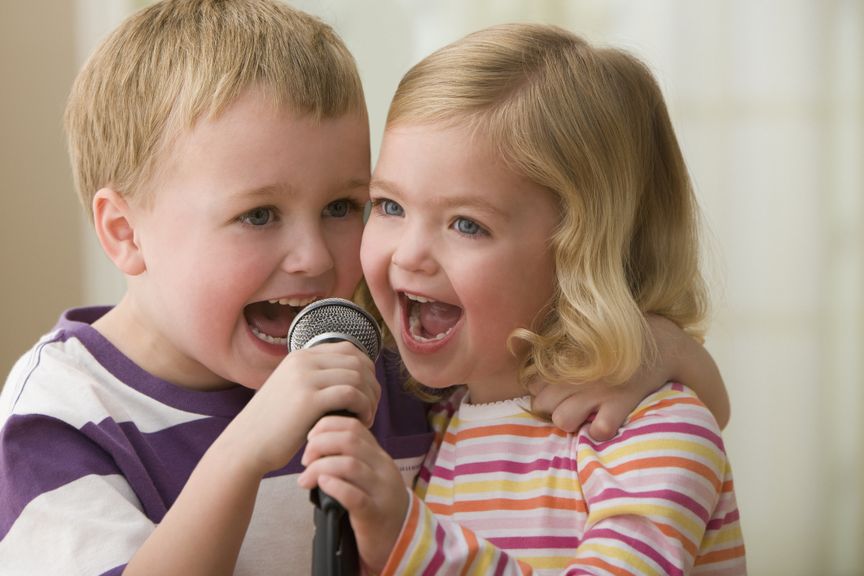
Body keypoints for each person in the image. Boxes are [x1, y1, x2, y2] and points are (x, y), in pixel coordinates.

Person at [0, 2, 729, 574]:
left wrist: (658, 350)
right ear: (125, 232)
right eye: (258, 214)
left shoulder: (385, 360)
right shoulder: (63, 414)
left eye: (346, 205)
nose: (315, 257)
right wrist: (245, 449)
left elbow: (644, 418)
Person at [298, 23, 746, 574]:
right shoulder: (434, 416)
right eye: (389, 205)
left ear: (582, 253)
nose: (409, 254)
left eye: (467, 224)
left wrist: (407, 537)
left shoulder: (650, 429)